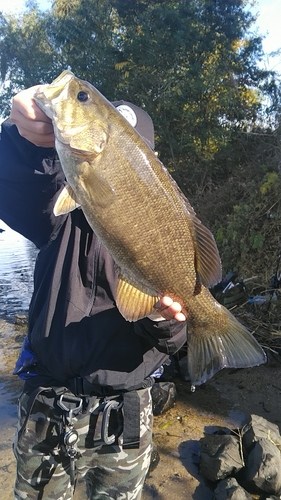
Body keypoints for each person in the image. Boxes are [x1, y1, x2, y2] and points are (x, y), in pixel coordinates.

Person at [0, 83, 187, 500]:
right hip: (48, 410)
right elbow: (17, 183)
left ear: (150, 163)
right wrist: (21, 139)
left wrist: (163, 318)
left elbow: (175, 339)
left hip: (126, 418)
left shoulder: (164, 234)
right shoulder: (56, 211)